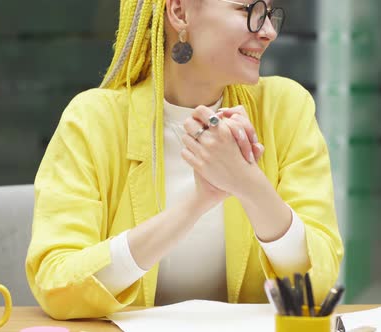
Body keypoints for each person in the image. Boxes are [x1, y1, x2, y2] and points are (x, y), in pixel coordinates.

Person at [25, 0, 343, 320]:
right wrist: (195, 206)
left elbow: (316, 285)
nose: (269, 31)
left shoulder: (285, 108)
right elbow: (56, 284)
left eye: (269, 14)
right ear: (179, 12)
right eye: (248, 11)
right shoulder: (93, 120)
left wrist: (248, 184)